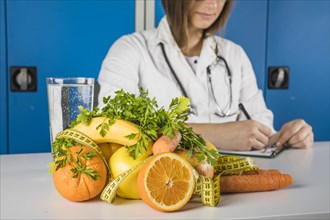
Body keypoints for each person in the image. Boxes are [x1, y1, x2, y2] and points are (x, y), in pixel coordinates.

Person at [97, 0, 313, 151]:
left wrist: (286, 137)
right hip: (166, 184)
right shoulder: (129, 50)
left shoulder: (233, 54)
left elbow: (261, 129)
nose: (213, 5)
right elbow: (113, 128)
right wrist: (215, 134)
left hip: (231, 187)